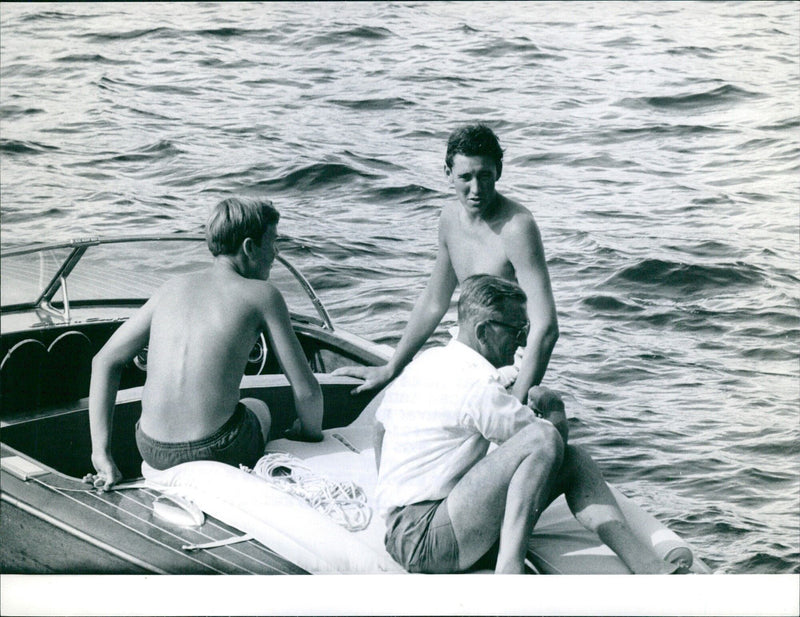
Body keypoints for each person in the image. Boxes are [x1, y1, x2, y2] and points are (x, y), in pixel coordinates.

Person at [374, 274, 683, 574]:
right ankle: (510, 571)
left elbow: (380, 428)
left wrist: (394, 504)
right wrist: (554, 407)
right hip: (429, 539)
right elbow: (549, 444)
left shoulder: (428, 362)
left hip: (403, 531)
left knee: (577, 461)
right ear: (483, 332)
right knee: (543, 439)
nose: (522, 342)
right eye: (516, 330)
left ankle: (645, 564)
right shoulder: (477, 385)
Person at [85, 197, 323, 492]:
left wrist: (101, 452)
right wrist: (309, 433)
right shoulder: (264, 295)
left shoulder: (169, 288)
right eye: (273, 242)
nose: (276, 253)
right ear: (249, 247)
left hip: (151, 449)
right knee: (258, 407)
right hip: (217, 449)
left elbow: (104, 361)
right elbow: (308, 392)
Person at [334, 124, 558, 403]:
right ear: (447, 174)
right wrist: (391, 368)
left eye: (485, 176)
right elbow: (434, 302)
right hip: (466, 349)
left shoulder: (518, 227)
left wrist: (517, 403)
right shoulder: (450, 217)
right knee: (401, 399)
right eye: (465, 177)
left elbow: (545, 328)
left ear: (498, 171)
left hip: (508, 361)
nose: (476, 189)